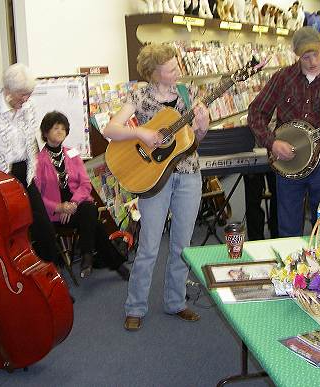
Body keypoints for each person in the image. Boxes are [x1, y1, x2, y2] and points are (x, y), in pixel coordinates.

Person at [104, 43, 210, 331]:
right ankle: (135, 306)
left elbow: (197, 138)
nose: (178, 72)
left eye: (177, 66)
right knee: (149, 245)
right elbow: (110, 129)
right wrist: (141, 132)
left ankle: (176, 302)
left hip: (188, 174)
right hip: (153, 178)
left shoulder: (187, 95)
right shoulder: (139, 95)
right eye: (171, 69)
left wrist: (202, 124)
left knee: (182, 245)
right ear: (154, 73)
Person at [246, 26, 320, 237]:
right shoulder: (282, 78)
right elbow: (256, 113)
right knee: (288, 226)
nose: (312, 62)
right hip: (288, 162)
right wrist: (272, 143)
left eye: (316, 55)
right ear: (296, 54)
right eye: (306, 57)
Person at [0, 63, 60, 265]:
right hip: (0, 180)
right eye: (22, 94)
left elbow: (31, 141)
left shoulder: (28, 108)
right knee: (10, 236)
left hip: (25, 174)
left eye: (29, 93)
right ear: (8, 89)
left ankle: (52, 283)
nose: (26, 99)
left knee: (44, 229)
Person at [35, 111, 130, 280]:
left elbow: (85, 184)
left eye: (63, 129)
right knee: (94, 220)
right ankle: (110, 262)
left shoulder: (72, 153)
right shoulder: (38, 161)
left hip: (77, 207)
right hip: (55, 214)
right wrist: (59, 207)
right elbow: (37, 196)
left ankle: (88, 255)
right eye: (55, 128)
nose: (60, 132)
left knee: (88, 210)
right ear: (45, 132)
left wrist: (72, 204)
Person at [243, 171, 278, 240]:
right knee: (253, 200)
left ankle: (278, 235)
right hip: (252, 162)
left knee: (279, 196)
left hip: (278, 162)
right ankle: (256, 240)